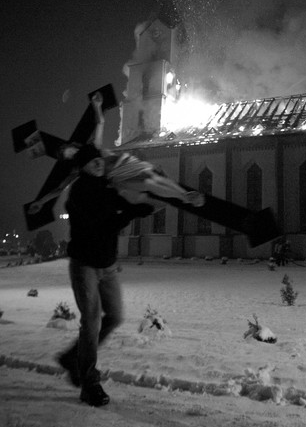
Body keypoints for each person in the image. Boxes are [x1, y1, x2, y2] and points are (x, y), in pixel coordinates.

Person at [56, 143, 154, 407]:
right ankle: (89, 383)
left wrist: (142, 205)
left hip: (107, 266)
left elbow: (123, 204)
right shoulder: (78, 192)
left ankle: (71, 358)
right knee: (91, 323)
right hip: (85, 266)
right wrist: (130, 213)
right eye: (92, 161)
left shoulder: (107, 187)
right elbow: (98, 225)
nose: (99, 162)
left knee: (116, 316)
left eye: (99, 159)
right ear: (83, 166)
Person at [60, 92, 204, 208]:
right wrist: (45, 199)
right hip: (118, 178)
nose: (71, 154)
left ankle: (184, 194)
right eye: (68, 156)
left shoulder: (94, 149)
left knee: (154, 177)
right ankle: (182, 197)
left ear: (73, 146)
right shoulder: (81, 169)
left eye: (70, 151)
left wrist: (97, 106)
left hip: (126, 163)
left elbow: (100, 123)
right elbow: (62, 187)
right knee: (148, 184)